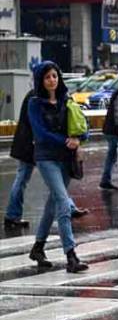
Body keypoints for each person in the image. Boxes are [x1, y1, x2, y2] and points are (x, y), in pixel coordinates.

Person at [25, 62, 89, 273]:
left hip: (66, 159)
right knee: (63, 203)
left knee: (52, 205)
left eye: (55, 76)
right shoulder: (35, 103)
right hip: (46, 158)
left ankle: (38, 247)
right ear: (40, 81)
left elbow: (81, 126)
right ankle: (71, 255)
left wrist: (78, 139)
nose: (52, 80)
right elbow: (40, 133)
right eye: (47, 77)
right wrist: (65, 141)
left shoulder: (66, 100)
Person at [6, 92, 87, 230]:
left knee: (52, 180)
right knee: (23, 178)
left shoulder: (48, 96)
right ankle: (12, 216)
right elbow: (33, 125)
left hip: (35, 144)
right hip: (30, 144)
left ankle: (69, 207)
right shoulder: (35, 98)